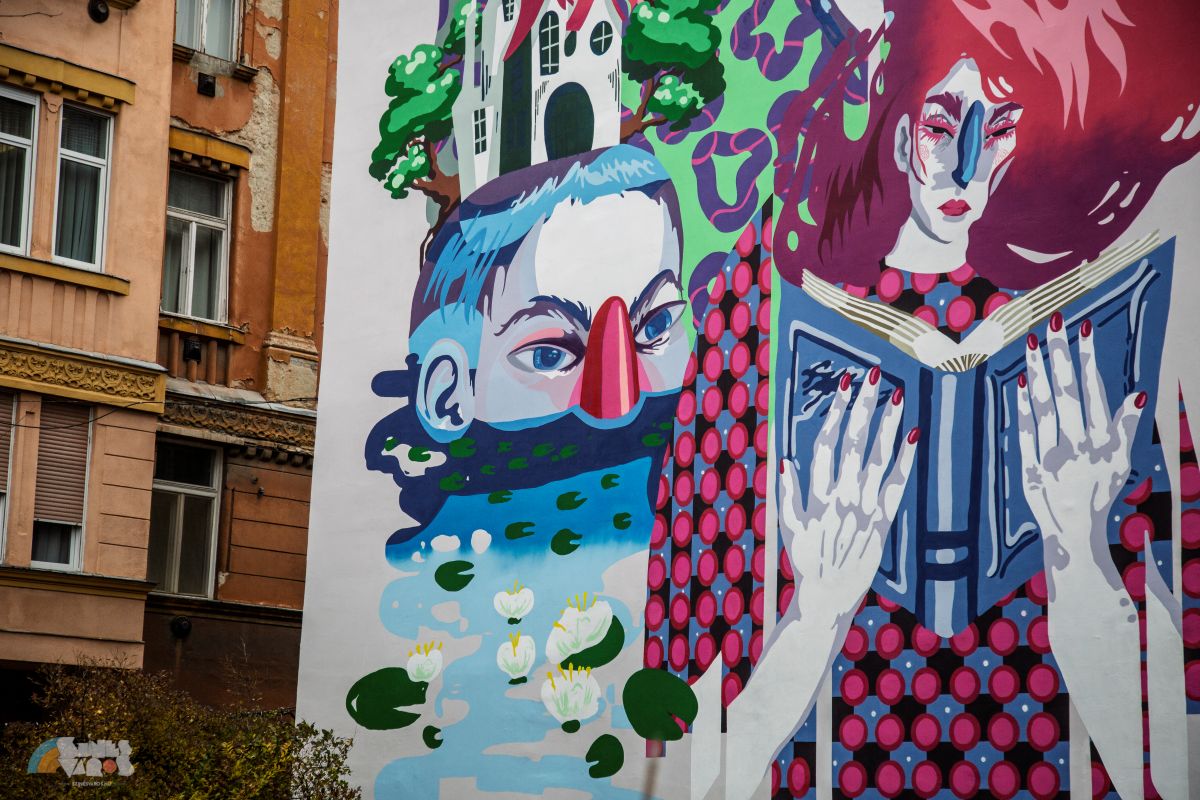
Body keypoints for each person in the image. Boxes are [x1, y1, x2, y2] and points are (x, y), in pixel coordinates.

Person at [703, 1, 1200, 797]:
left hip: (1039, 739)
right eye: (942, 127)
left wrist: (1078, 553)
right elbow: (705, 755)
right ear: (899, 128)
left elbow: (1173, 753)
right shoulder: (766, 304)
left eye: (998, 129)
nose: (966, 169)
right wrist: (817, 610)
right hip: (846, 736)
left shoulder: (1083, 327)